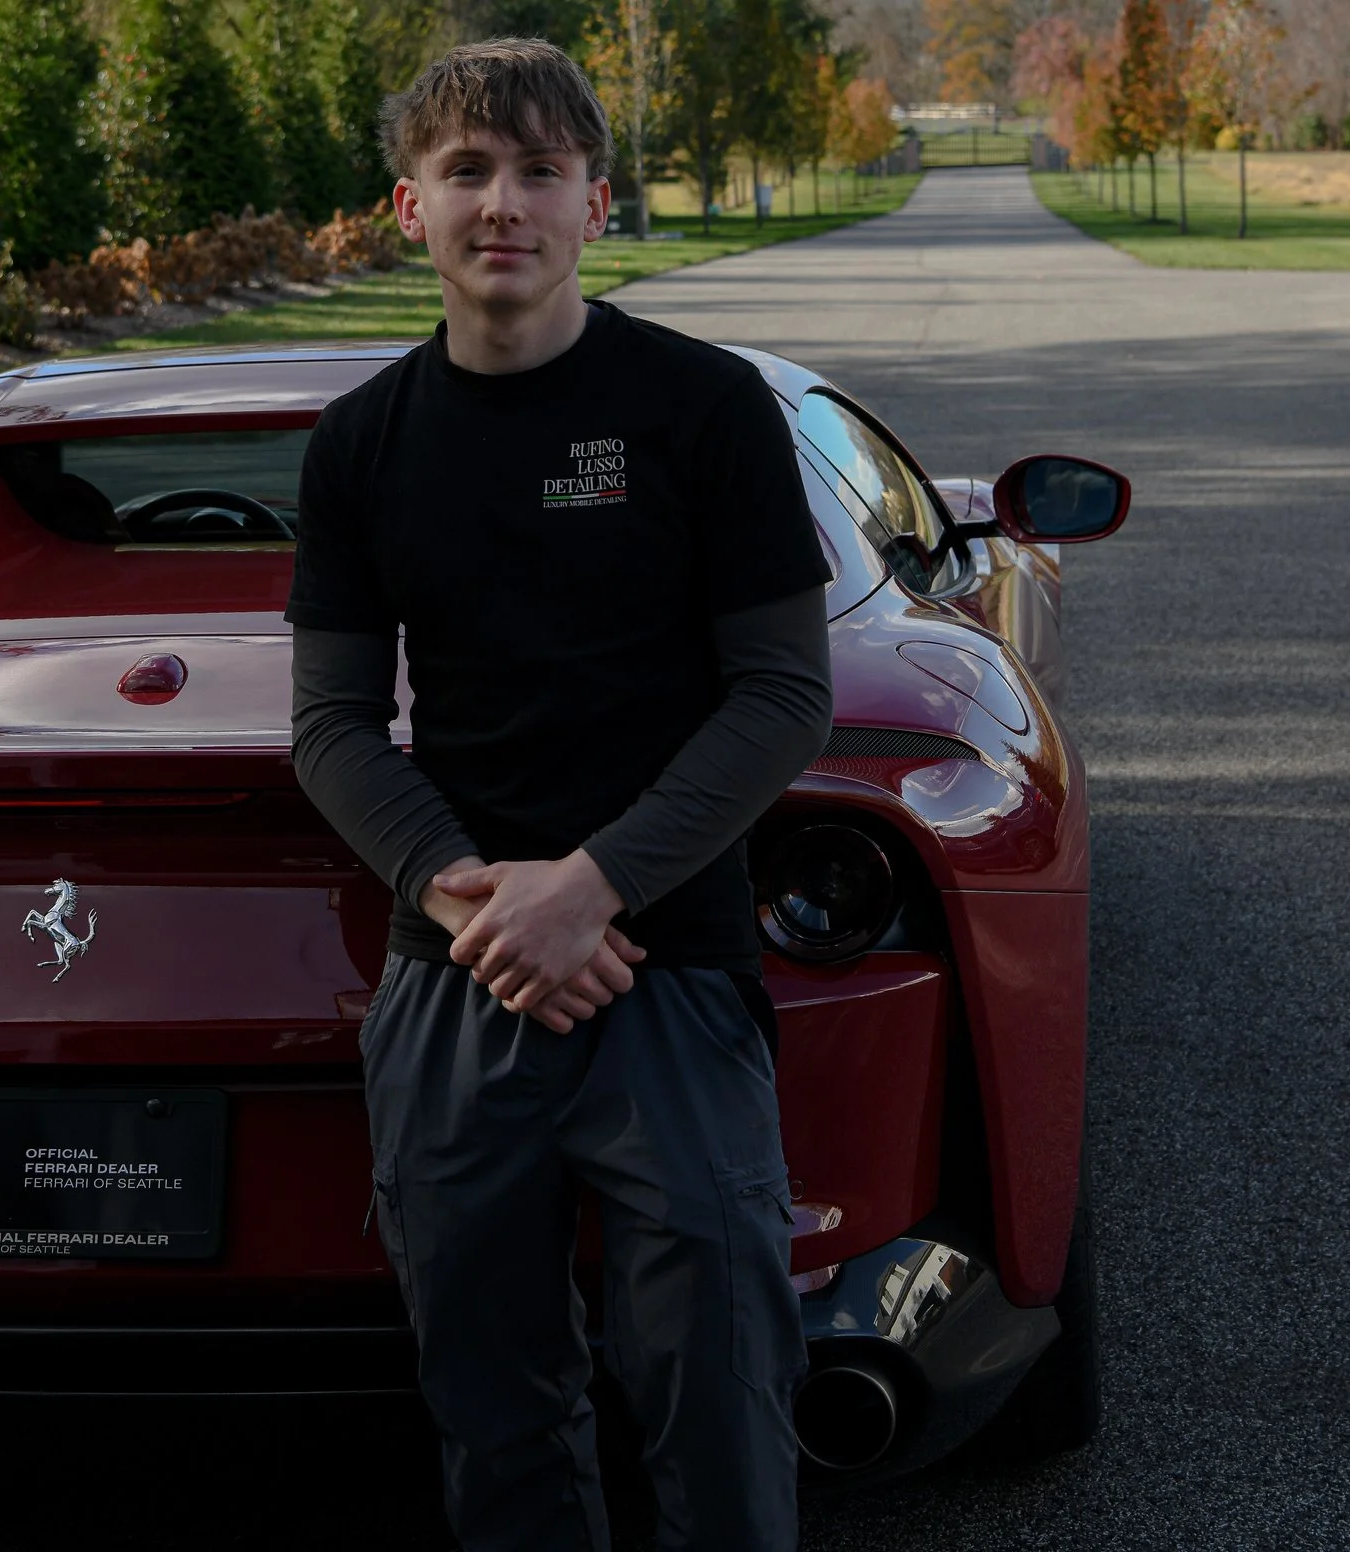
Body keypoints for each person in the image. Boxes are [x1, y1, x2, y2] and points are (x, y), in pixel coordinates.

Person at [285, 37, 834, 1552]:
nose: (503, 204)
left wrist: (588, 885)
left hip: (667, 967)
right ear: (412, 207)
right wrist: (477, 896)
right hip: (458, 981)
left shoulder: (702, 411)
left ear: (599, 201)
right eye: (468, 170)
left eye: (539, 171)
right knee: (496, 1412)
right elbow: (330, 728)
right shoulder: (360, 446)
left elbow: (786, 696)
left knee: (719, 1395)